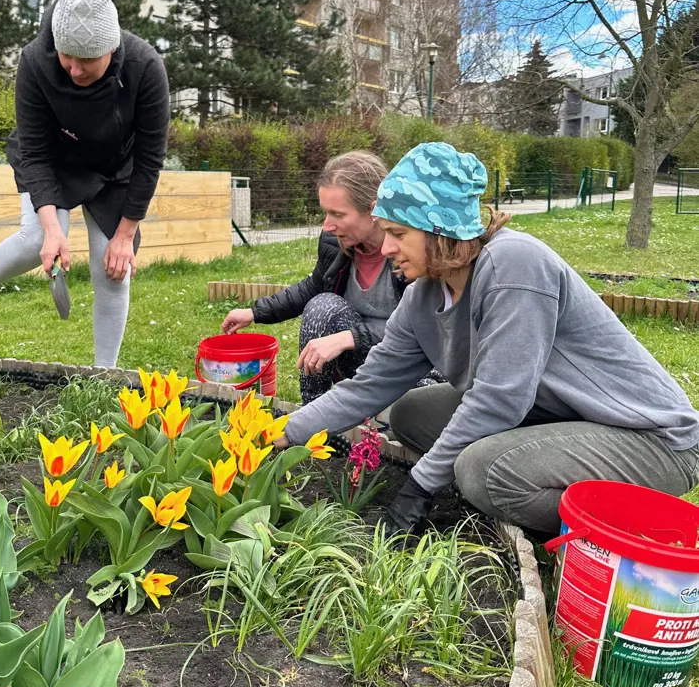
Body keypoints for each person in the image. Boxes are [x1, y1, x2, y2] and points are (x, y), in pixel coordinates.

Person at [277, 142, 699, 535]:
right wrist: (283, 432)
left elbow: (499, 401)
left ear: (439, 230)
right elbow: (370, 385)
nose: (385, 248)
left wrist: (419, 488)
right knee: (410, 413)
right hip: (559, 418)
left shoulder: (514, 264)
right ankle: (536, 472)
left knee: (483, 473)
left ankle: (619, 528)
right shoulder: (424, 294)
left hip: (649, 439)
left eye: (399, 234)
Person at [0, 0, 170, 366]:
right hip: (54, 159)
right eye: (67, 56)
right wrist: (52, 229)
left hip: (114, 169)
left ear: (111, 47)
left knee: (112, 266)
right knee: (33, 241)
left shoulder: (145, 66)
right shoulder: (34, 61)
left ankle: (103, 376)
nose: (74, 70)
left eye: (87, 59)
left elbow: (150, 158)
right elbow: (36, 152)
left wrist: (126, 234)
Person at [221, 151, 409, 403]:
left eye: (338, 214)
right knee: (322, 306)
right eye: (326, 212)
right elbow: (313, 287)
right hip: (361, 361)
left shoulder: (409, 249)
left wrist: (350, 337)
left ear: (374, 210)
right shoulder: (335, 242)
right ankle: (313, 413)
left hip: (409, 368)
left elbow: (422, 328)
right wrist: (255, 312)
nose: (327, 225)